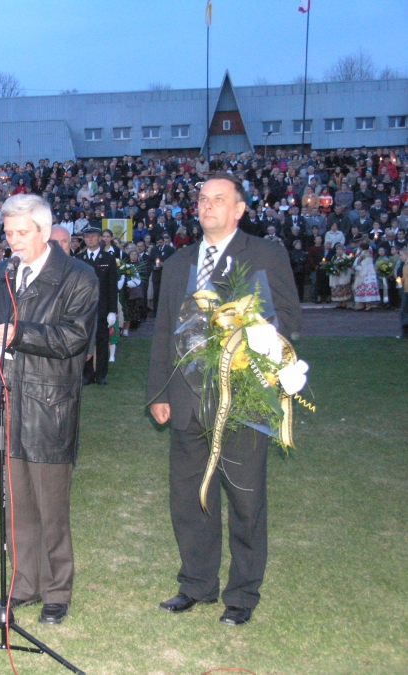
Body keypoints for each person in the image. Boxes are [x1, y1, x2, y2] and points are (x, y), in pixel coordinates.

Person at [147, 175, 301, 626]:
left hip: (244, 398)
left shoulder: (265, 254)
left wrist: (255, 341)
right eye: (202, 199)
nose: (208, 205)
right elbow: (162, 331)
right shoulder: (177, 262)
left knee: (246, 501)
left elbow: (288, 316)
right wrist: (158, 391)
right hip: (186, 400)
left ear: (239, 209)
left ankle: (242, 593)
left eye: (219, 199)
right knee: (191, 499)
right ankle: (197, 584)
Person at [0, 194, 98, 626]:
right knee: (16, 507)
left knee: (51, 508)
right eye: (8, 232)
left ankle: (57, 591)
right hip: (6, 400)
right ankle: (24, 584)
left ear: (44, 231)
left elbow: (74, 338)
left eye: (22, 232)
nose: (13, 240)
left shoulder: (78, 276)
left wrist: (18, 333)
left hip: (50, 404)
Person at [75, 226, 117, 385]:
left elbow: (112, 286)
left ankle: (101, 374)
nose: (90, 239)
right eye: (87, 237)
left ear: (100, 238)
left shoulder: (108, 258)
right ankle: (86, 374)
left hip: (102, 307)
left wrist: (112, 311)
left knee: (101, 341)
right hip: (84, 308)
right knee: (84, 340)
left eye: (93, 236)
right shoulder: (78, 259)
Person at [351, 242, 379, 311]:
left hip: (365, 275)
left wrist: (355, 267)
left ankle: (368, 305)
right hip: (366, 274)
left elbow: (363, 267)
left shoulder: (364, 256)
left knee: (365, 289)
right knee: (362, 289)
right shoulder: (365, 255)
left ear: (361, 248)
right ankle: (363, 305)